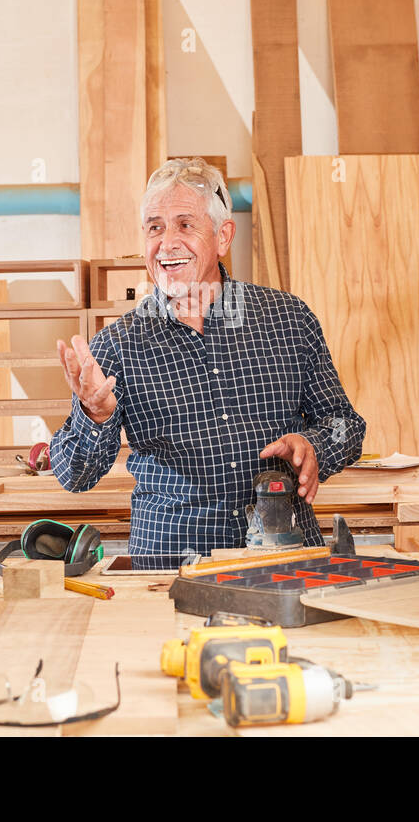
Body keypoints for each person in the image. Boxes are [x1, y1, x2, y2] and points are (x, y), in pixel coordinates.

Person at [49, 158, 366, 554]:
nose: (167, 244)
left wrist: (314, 446)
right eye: (154, 228)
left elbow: (346, 425)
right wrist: (94, 415)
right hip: (172, 566)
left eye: (185, 224)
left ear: (223, 236)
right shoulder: (117, 345)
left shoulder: (289, 319)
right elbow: (74, 475)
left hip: (282, 553)